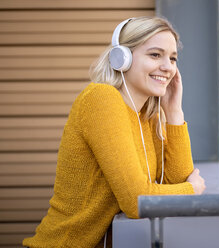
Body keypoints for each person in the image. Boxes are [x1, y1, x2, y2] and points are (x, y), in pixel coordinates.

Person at [23, 16, 206, 248]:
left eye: (172, 58)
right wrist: (193, 189)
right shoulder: (101, 99)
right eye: (155, 55)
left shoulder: (146, 116)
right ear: (122, 57)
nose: (168, 67)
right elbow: (138, 200)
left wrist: (174, 113)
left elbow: (175, 180)